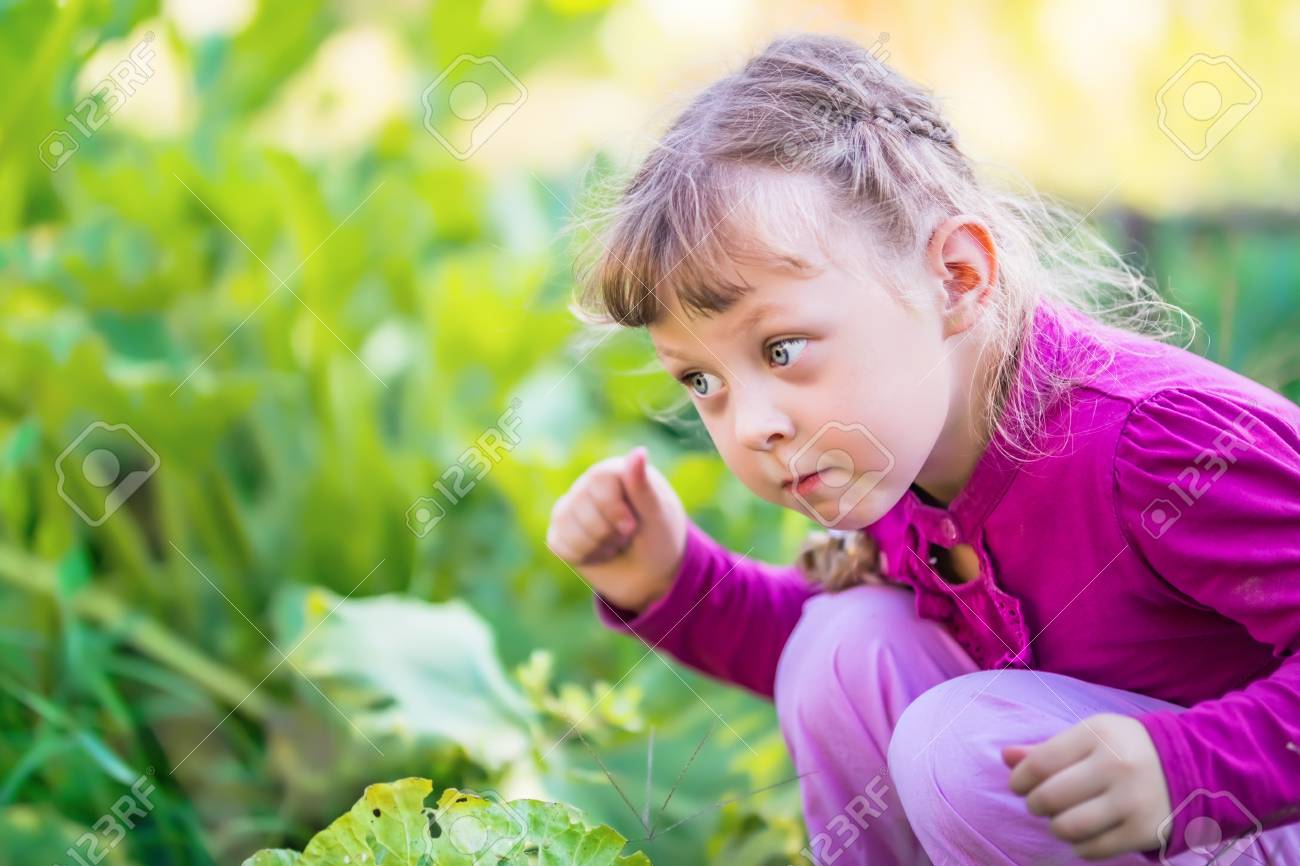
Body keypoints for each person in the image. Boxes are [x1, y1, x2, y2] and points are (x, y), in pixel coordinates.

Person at [544, 33, 1300, 865]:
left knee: (960, 750)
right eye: (700, 380)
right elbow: (856, 698)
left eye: (782, 350)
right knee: (843, 652)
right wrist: (669, 581)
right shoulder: (904, 460)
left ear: (957, 278)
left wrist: (1186, 766)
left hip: (1254, 821)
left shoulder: (1155, 444)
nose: (751, 424)